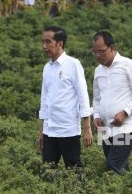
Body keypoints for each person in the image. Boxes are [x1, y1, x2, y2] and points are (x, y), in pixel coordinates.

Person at [91, 31, 132, 175]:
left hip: (125, 128)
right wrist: (96, 116)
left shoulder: (129, 65)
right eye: (95, 52)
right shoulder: (98, 71)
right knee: (120, 168)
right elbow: (97, 98)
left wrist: (125, 112)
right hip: (106, 129)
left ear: (112, 47)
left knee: (113, 166)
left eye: (101, 51)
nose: (98, 56)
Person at [38, 26, 93, 169]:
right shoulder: (47, 68)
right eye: (43, 42)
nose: (44, 46)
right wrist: (42, 131)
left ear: (60, 43)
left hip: (67, 129)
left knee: (74, 169)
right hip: (49, 129)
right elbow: (44, 100)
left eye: (48, 42)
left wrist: (87, 128)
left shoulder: (73, 64)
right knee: (47, 170)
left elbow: (83, 96)